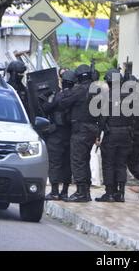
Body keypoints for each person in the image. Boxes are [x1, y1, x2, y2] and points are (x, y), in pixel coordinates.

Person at [57, 64, 99, 202]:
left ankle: (81, 192)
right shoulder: (96, 90)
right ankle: (85, 192)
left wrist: (66, 90)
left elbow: (63, 103)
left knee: (78, 161)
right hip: (92, 128)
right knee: (85, 160)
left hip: (80, 129)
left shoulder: (79, 90)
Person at [95, 69, 133, 202]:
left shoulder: (106, 96)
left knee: (109, 164)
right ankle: (121, 193)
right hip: (126, 134)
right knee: (121, 164)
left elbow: (102, 118)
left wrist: (98, 134)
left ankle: (110, 193)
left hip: (111, 133)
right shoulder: (129, 96)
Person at [40, 70, 77, 201]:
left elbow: (45, 108)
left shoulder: (58, 96)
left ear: (62, 81)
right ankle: (65, 191)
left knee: (55, 162)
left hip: (56, 133)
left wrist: (45, 97)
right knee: (67, 163)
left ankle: (55, 191)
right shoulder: (76, 96)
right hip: (71, 133)